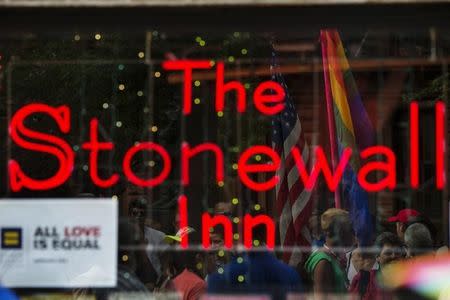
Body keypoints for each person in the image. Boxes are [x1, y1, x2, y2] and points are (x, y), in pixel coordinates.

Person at [304, 208, 355, 296]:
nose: (353, 234)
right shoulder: (323, 262)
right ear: (339, 232)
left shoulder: (333, 257)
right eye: (350, 229)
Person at [349, 232, 405, 300]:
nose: (393, 256)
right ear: (378, 257)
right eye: (388, 253)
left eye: (397, 253)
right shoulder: (364, 280)